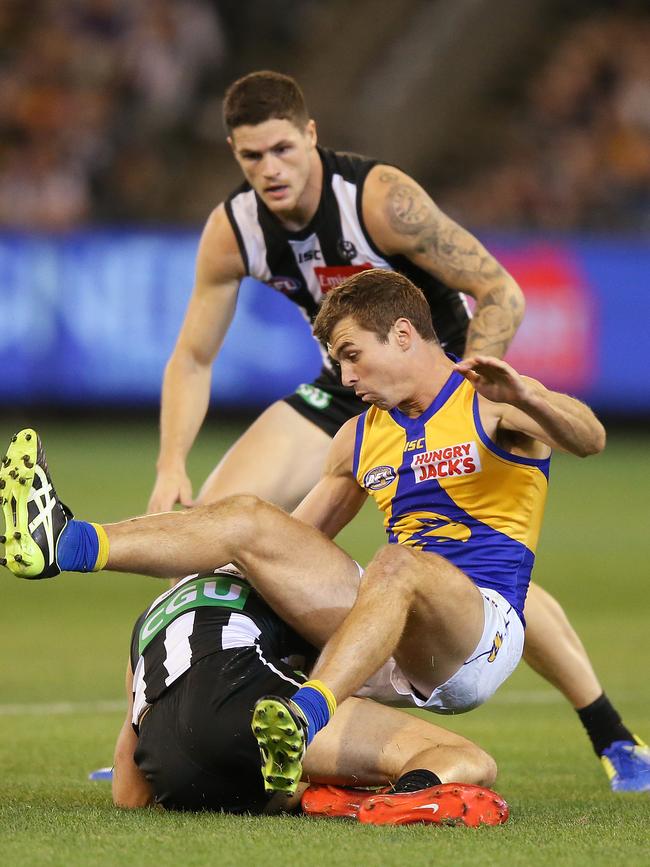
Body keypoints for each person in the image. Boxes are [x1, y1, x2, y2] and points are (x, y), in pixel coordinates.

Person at [142, 69, 643, 789]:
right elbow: (192, 355)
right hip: (342, 392)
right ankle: (175, 726)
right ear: (233, 152)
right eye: (252, 158)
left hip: (432, 385)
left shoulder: (378, 199)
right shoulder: (236, 229)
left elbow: (500, 289)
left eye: (283, 149)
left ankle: (611, 733)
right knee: (205, 541)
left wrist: (472, 398)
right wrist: (170, 462)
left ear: (312, 135)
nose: (270, 170)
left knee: (480, 569)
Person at [3, 276, 649, 799]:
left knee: (396, 562)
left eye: (351, 353)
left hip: (474, 635)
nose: (345, 377)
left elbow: (590, 437)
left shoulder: (492, 402)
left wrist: (532, 396)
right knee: (250, 519)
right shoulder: (360, 436)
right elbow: (293, 538)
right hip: (384, 627)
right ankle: (68, 542)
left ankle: (303, 715)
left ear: (402, 334)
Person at [1, 437, 507, 826]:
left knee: (253, 771)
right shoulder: (281, 591)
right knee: (467, 760)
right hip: (250, 703)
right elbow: (352, 649)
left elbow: (129, 794)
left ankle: (302, 793)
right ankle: (390, 798)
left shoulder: (149, 622)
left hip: (171, 763)